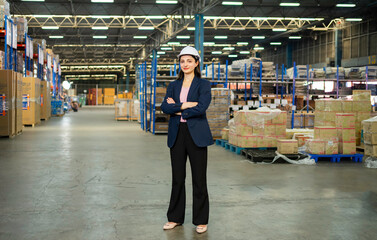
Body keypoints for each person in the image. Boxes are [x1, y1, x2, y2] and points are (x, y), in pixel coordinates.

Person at [161, 46, 214, 234]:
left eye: (189, 61)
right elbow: (164, 108)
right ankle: (175, 217)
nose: (185, 64)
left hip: (196, 134)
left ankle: (201, 220)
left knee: (199, 179)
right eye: (182, 61)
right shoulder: (173, 86)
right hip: (177, 133)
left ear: (197, 63)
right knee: (177, 178)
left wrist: (176, 109)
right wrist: (184, 105)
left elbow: (201, 107)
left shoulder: (203, 84)